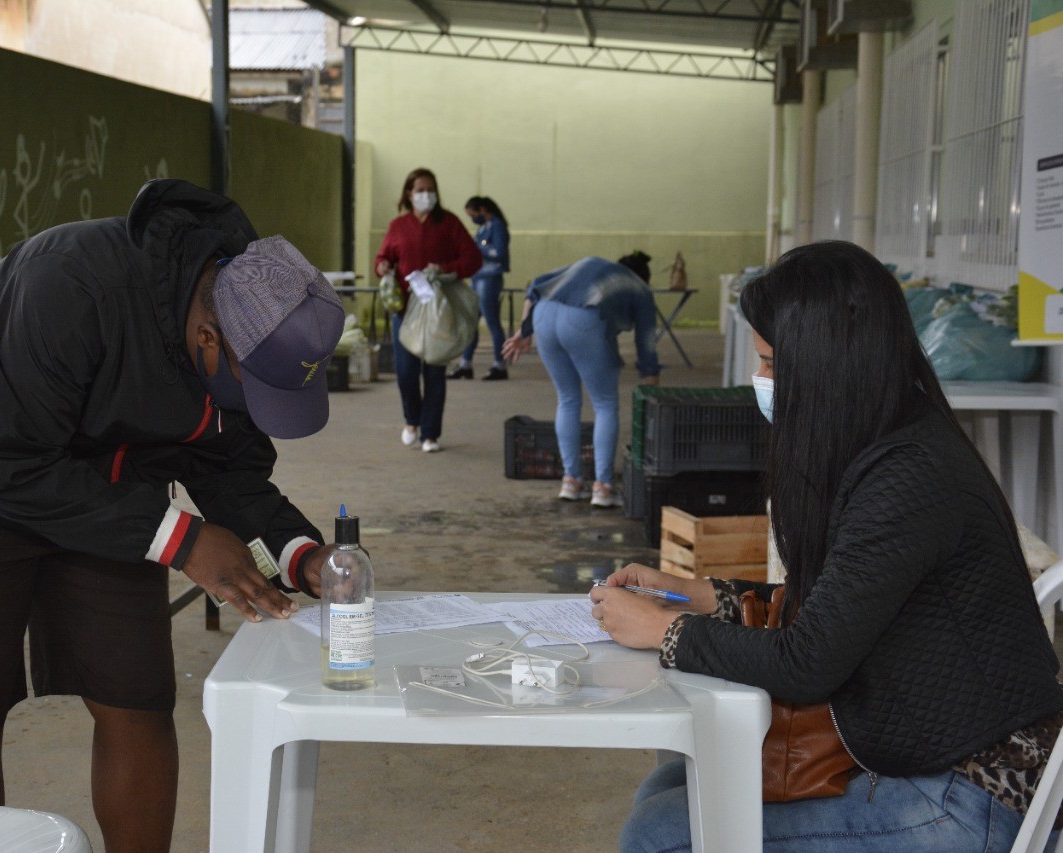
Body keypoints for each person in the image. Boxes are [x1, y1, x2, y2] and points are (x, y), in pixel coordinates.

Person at [0, 179, 344, 852]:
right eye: (254, 384)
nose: (254, 400)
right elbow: (10, 467)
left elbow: (232, 464)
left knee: (137, 694)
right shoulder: (75, 284)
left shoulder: (246, 313)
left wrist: (303, 554)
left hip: (108, 478)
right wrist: (183, 538)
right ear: (206, 335)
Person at [590, 241, 1063, 852]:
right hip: (913, 751)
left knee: (660, 834)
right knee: (669, 784)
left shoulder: (909, 477)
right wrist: (705, 595)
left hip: (973, 794)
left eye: (771, 365)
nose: (759, 382)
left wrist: (665, 631)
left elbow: (808, 663)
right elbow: (842, 601)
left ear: (826, 366)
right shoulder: (887, 437)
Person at [502, 255, 661, 507]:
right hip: (583, 318)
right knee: (605, 404)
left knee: (567, 399)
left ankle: (571, 481)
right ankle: (603, 487)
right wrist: (651, 382)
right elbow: (646, 341)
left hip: (543, 316)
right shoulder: (639, 287)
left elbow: (535, 287)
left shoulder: (588, 264)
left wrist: (524, 331)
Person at [374, 167, 482, 453]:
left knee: (434, 372)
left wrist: (447, 269)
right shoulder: (398, 226)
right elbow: (383, 256)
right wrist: (381, 266)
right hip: (405, 310)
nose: (426, 195)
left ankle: (430, 434)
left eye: (430, 189)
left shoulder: (449, 224)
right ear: (409, 194)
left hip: (438, 311)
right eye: (420, 190)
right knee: (406, 371)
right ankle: (412, 420)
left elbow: (472, 258)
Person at [450, 196, 511, 381]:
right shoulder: (484, 227)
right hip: (478, 278)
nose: (472, 219)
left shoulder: (497, 226)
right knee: (470, 323)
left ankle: (500, 365)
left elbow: (499, 252)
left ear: (483, 210)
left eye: (473, 214)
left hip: (489, 279)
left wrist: (478, 249)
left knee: (492, 323)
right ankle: (465, 364)